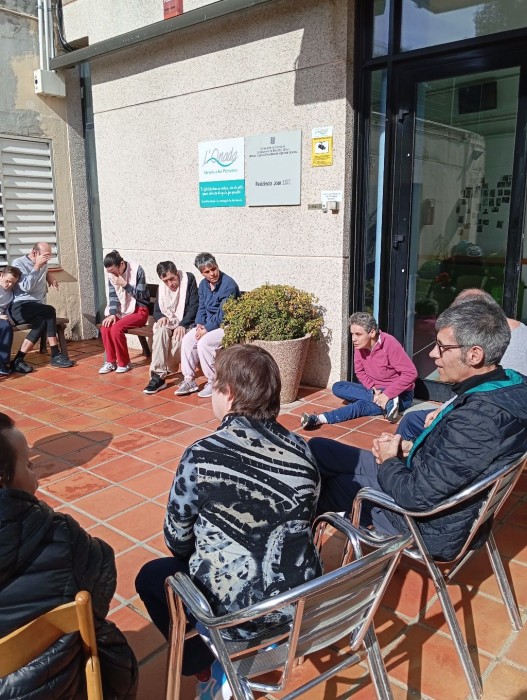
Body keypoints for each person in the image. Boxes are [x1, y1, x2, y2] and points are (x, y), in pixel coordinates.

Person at [136, 344, 321, 698]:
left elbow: (176, 540)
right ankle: (259, 647)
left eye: (214, 385)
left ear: (230, 393)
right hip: (295, 606)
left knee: (150, 577)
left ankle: (206, 669)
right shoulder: (303, 450)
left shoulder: (201, 455)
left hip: (232, 618)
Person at [309, 300, 527, 562]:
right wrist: (410, 447)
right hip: (427, 482)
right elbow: (459, 460)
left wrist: (389, 459)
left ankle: (297, 555)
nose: (433, 354)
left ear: (474, 355)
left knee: (331, 487)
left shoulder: (480, 418)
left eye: (442, 347)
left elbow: (414, 496)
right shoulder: (508, 387)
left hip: (425, 524)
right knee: (318, 448)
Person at [0, 412, 138, 698]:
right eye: (27, 464)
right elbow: (101, 585)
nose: (34, 471)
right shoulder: (61, 537)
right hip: (59, 689)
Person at [398, 287, 527, 442]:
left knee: (411, 421)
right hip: (494, 418)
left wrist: (445, 410)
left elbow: (490, 396)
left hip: (489, 424)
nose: (433, 353)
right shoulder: (517, 331)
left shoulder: (504, 347)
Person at [301, 312, 417, 429]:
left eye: (358, 334)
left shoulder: (389, 344)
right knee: (337, 386)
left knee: (359, 406)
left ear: (372, 332)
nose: (354, 339)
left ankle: (318, 419)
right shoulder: (360, 346)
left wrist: (387, 394)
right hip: (375, 390)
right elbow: (359, 371)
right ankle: (383, 402)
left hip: (400, 394)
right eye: (352, 334)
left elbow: (411, 373)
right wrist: (372, 388)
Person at [175, 252, 239, 399]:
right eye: (207, 272)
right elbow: (202, 307)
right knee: (187, 340)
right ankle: (189, 380)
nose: (212, 274)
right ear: (202, 273)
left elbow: (223, 314)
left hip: (226, 325)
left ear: (217, 265)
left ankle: (213, 382)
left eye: (213, 269)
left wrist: (207, 329)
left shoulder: (228, 285)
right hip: (208, 324)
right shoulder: (204, 285)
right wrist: (199, 324)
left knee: (204, 343)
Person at [11, 242, 74, 372]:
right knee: (50, 311)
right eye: (45, 256)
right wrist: (37, 267)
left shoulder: (43, 264)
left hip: (36, 307)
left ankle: (18, 360)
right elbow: (26, 287)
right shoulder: (18, 263)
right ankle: (55, 354)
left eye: (49, 257)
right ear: (35, 253)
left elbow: (44, 270)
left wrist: (48, 275)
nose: (47, 260)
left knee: (41, 322)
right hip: (20, 307)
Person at [143, 261, 199, 394]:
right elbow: (157, 309)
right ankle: (158, 376)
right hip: (169, 322)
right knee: (161, 331)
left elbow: (194, 305)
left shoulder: (188, 279)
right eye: (165, 281)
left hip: (185, 322)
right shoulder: (162, 288)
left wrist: (183, 324)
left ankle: (168, 367)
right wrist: (160, 317)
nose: (170, 284)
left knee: (178, 339)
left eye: (172, 279)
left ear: (177, 273)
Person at [99, 250, 150, 374]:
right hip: (122, 310)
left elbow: (143, 296)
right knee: (105, 327)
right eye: (109, 272)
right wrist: (112, 314)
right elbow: (113, 295)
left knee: (116, 328)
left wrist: (125, 285)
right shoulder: (111, 275)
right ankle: (111, 362)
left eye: (114, 271)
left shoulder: (137, 270)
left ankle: (125, 363)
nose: (112, 274)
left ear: (121, 264)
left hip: (139, 310)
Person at [0, 265, 21, 376]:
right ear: (1, 275)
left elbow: (7, 307)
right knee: (5, 327)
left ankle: (3, 363)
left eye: (12, 283)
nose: (9, 284)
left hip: (3, 317)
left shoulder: (10, 291)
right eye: (7, 281)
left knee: (7, 326)